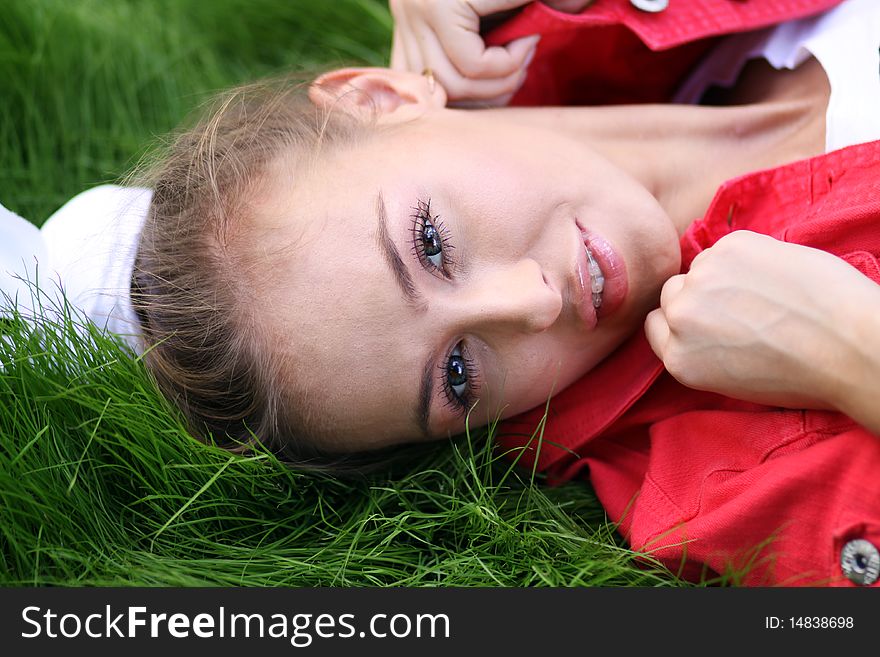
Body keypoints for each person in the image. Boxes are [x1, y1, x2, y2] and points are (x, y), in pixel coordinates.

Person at [5, 0, 879, 586]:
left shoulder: (597, 23)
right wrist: (853, 351)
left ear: (379, 97)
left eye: (431, 243)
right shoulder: (741, 470)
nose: (531, 303)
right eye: (458, 374)